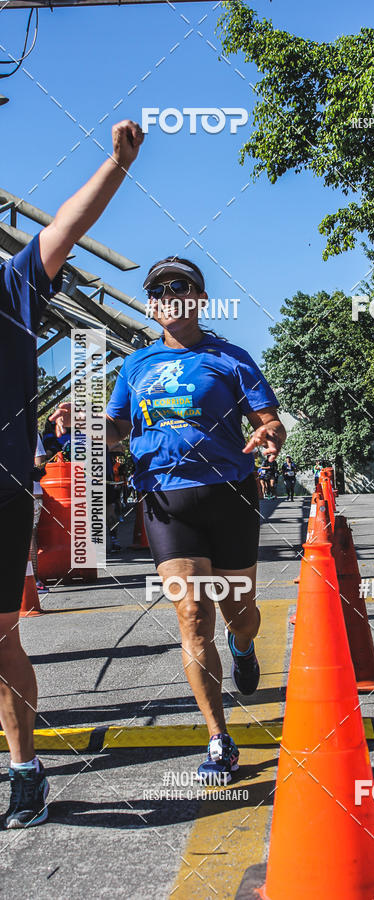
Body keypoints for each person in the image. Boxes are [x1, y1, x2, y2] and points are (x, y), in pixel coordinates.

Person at [51, 256, 286, 784]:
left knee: (238, 611)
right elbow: (115, 428)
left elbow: (268, 420)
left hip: (229, 494)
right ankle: (219, 739)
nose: (166, 297)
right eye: (157, 291)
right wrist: (82, 420)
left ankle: (243, 644)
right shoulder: (135, 366)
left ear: (199, 299)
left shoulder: (230, 358)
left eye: (179, 288)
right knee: (192, 615)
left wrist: (269, 435)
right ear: (152, 304)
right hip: (165, 501)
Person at [0, 119, 144, 828]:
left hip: (0, 489)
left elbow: (65, 225)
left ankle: (25, 772)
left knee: (0, 637)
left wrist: (113, 167)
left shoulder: (13, 286)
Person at [31, 435, 47, 591]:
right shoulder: (28, 429)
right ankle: (34, 580)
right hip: (31, 490)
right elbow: (40, 461)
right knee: (29, 536)